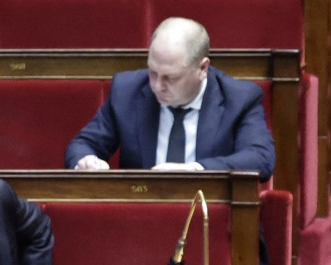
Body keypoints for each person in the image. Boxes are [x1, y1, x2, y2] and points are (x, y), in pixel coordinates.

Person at [65, 16, 275, 180]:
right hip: (142, 213)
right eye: (152, 72)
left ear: (202, 68)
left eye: (170, 78)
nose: (157, 86)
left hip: (208, 214)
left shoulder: (239, 98)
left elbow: (260, 159)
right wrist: (86, 160)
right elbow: (82, 145)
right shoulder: (127, 91)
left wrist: (193, 170)